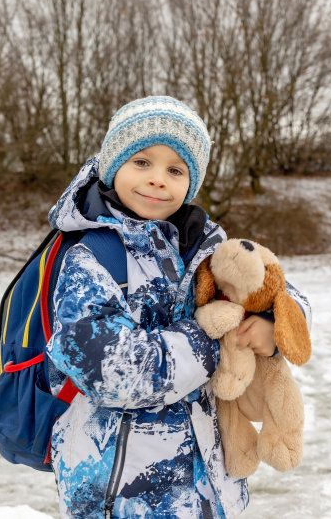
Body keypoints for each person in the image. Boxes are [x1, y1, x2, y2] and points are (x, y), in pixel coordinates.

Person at [46, 96, 311, 518]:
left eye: (175, 169)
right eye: (142, 162)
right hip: (122, 493)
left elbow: (277, 286)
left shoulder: (204, 246)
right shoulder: (90, 257)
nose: (157, 180)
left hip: (212, 486)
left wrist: (268, 323)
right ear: (114, 166)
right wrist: (213, 339)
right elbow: (111, 372)